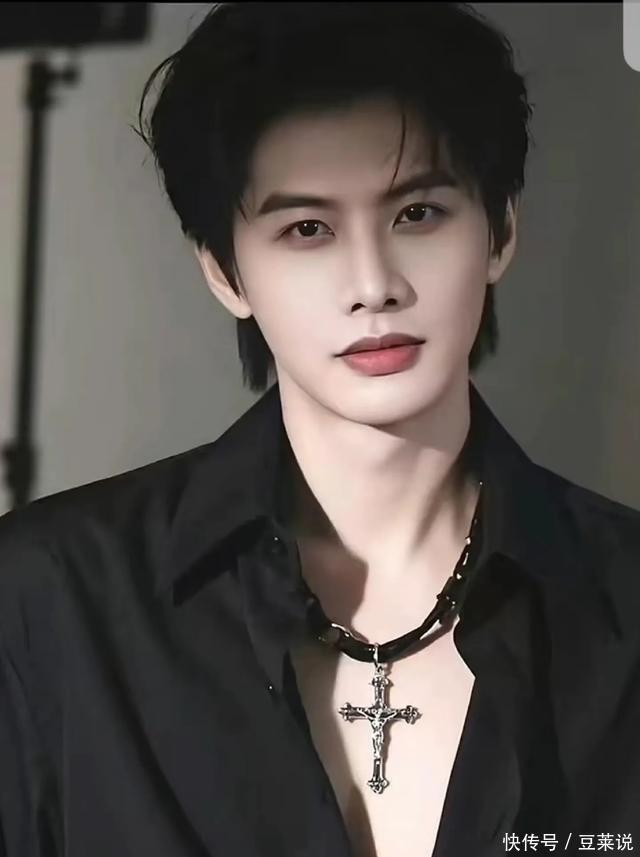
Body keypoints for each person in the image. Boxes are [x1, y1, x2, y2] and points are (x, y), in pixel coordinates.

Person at [1, 3, 639, 856]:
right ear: (225, 271)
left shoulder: (623, 602)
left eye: (418, 214)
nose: (373, 284)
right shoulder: (51, 597)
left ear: (500, 231)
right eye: (307, 229)